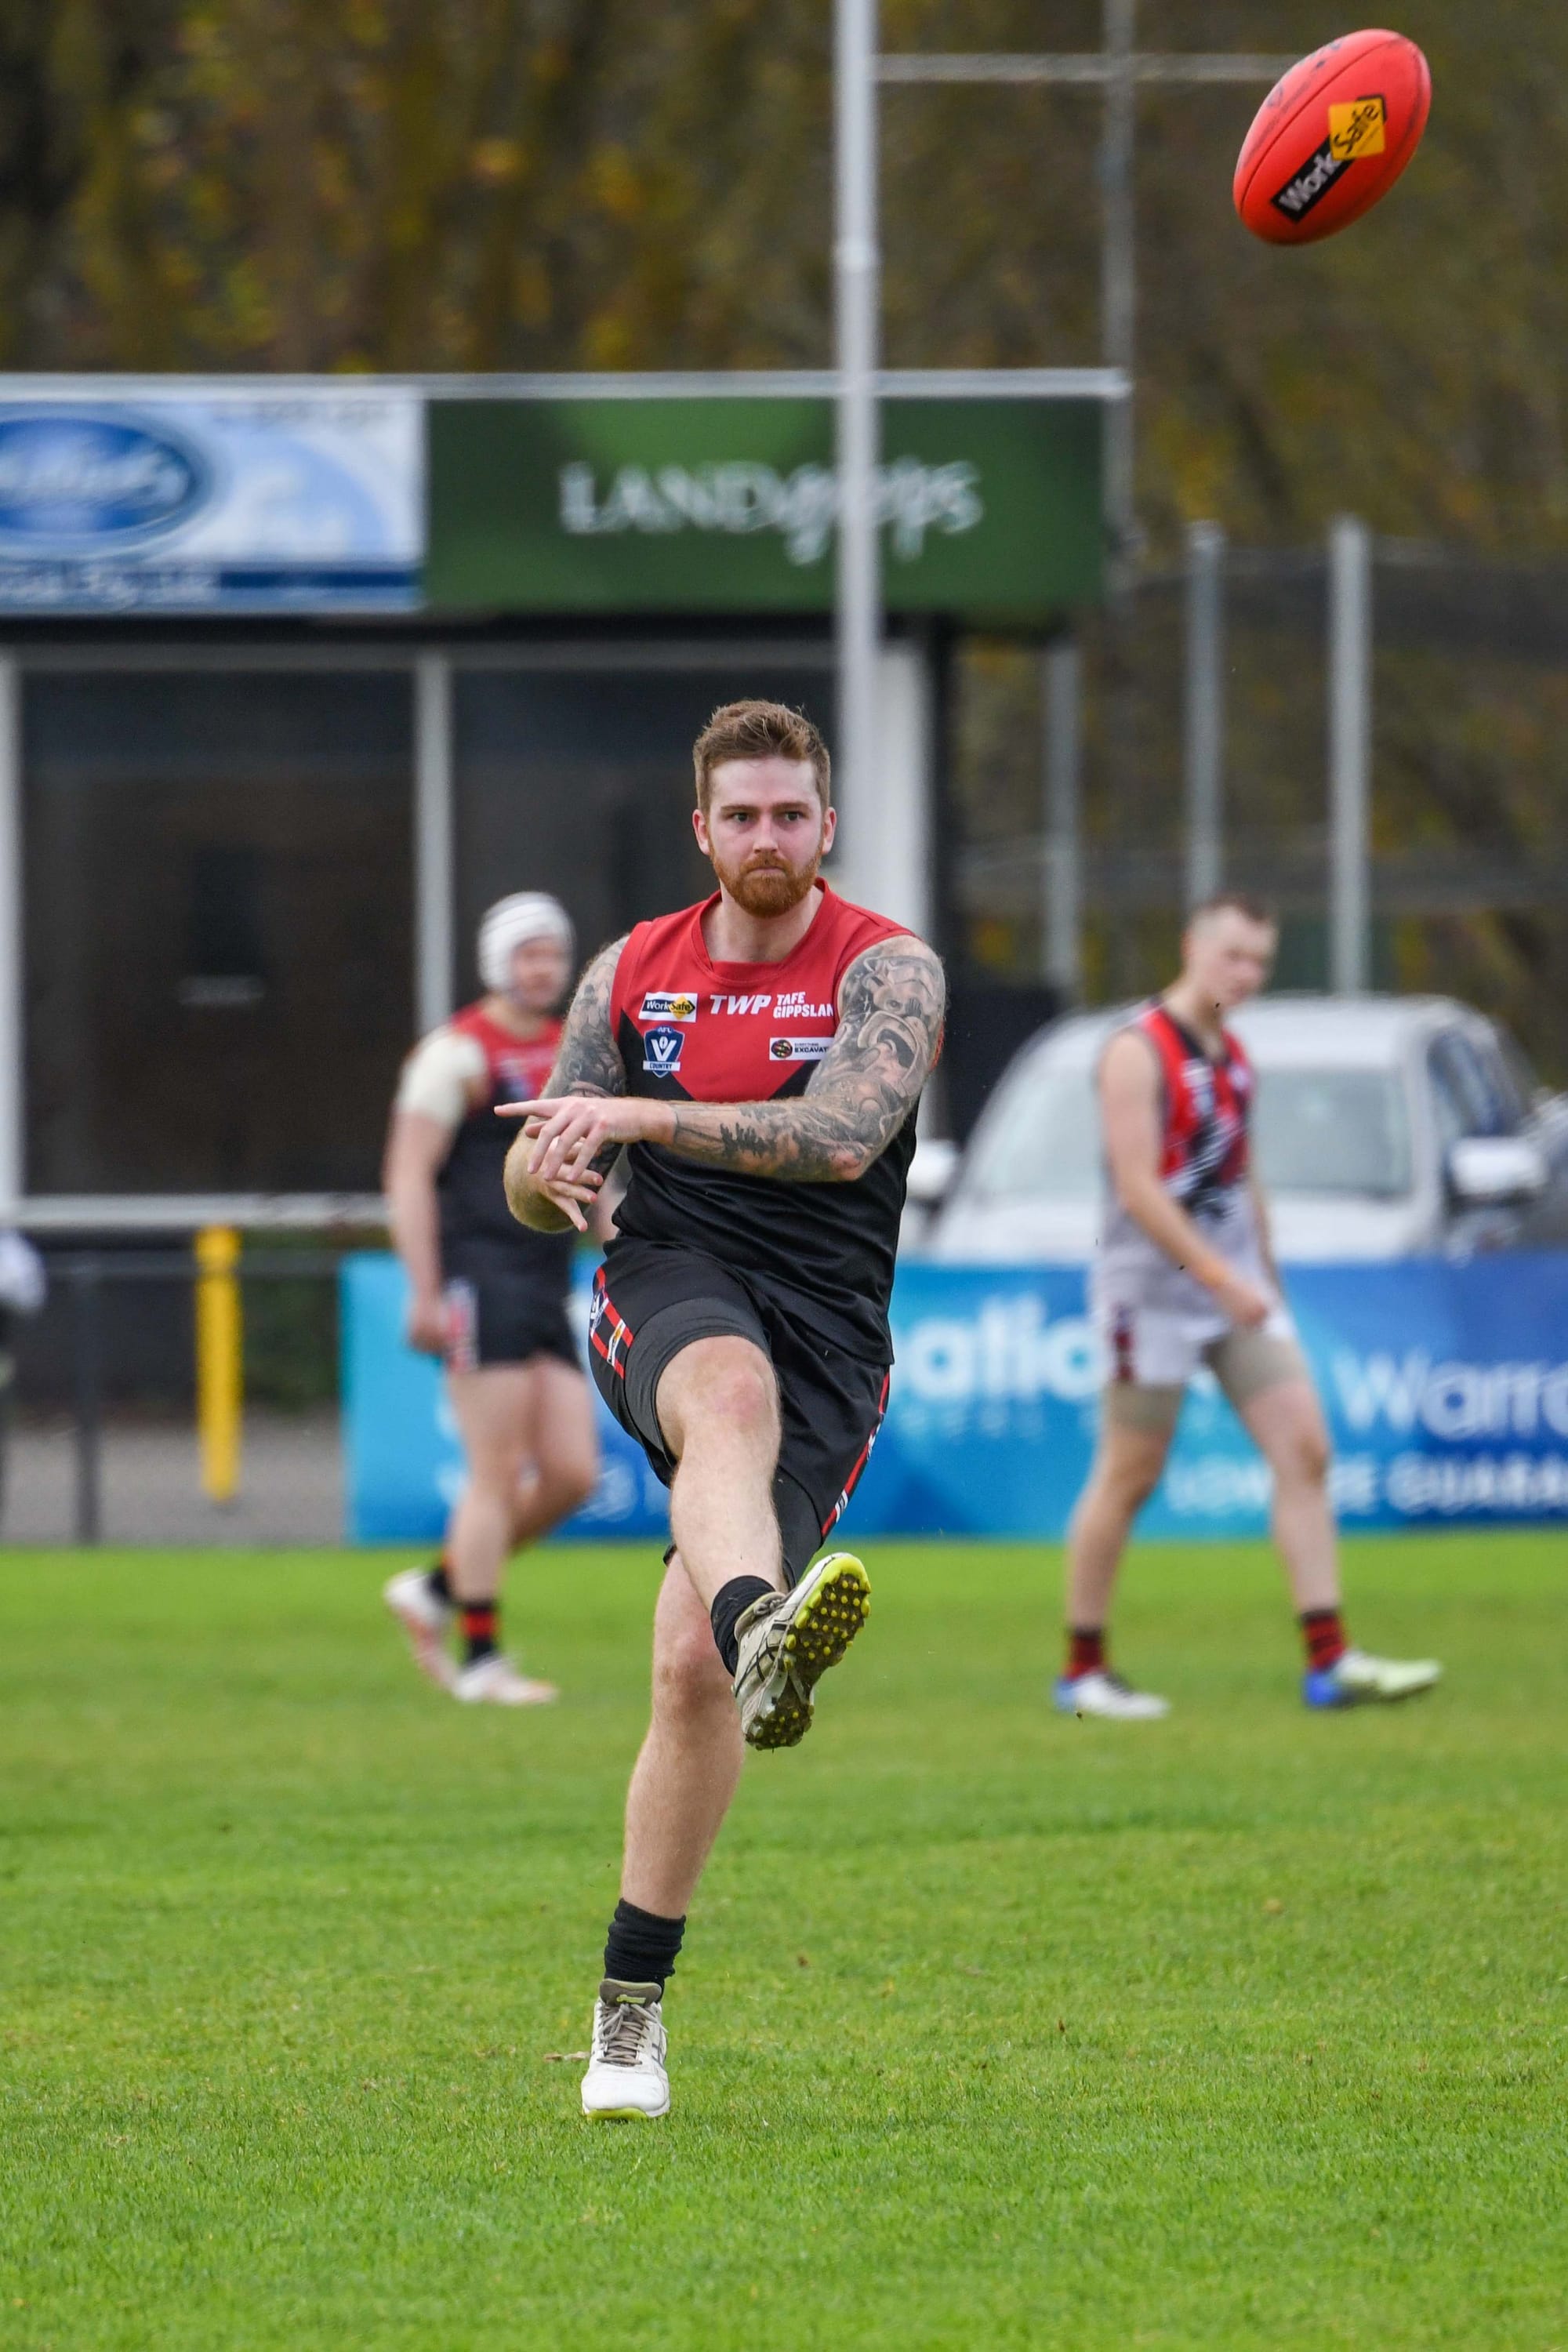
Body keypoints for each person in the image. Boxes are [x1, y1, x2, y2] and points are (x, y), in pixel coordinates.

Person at [501, 699, 945, 2122]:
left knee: (688, 1676)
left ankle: (629, 2005)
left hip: (831, 1333)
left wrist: (638, 1121)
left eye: (790, 815)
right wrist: (551, 1177)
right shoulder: (634, 970)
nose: (768, 837)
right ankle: (767, 1622)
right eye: (742, 815)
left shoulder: (888, 968)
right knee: (724, 1389)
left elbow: (841, 1138)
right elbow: (539, 1159)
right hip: (669, 1283)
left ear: (828, 826)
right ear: (703, 829)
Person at [1058, 891, 1441, 1721]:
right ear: (1191, 946)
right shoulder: (1135, 1049)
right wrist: (1215, 1274)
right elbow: (1137, 1188)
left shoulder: (1232, 1053)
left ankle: (1329, 1660)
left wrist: (1261, 1275)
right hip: (1151, 1295)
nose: (1246, 974)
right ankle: (1082, 1668)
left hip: (1232, 1292)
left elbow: (1241, 1174)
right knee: (1129, 1474)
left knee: (1305, 1450)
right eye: (1232, 955)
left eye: (1259, 961)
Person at [382, 893, 598, 1705]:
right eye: (527, 954)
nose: (542, 969)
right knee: (496, 1472)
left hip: (545, 1279)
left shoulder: (572, 1049)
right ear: (497, 962)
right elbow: (407, 1174)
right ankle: (480, 1660)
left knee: (572, 1473)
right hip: (479, 1276)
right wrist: (424, 1289)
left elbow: (594, 1169)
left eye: (553, 953)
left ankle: (437, 1587)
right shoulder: (457, 1054)